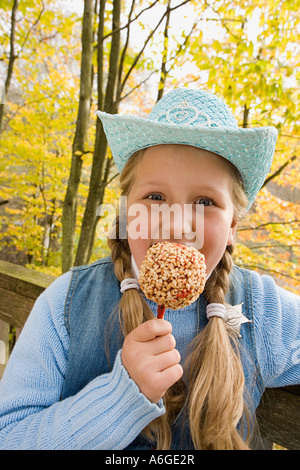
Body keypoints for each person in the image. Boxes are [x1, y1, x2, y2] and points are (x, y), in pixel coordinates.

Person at [0, 89, 299, 450]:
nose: (176, 224)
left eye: (205, 201)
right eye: (155, 198)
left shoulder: (261, 308)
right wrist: (121, 396)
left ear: (233, 225)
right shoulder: (65, 302)